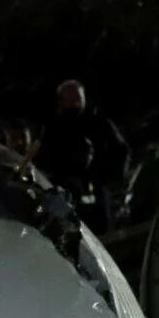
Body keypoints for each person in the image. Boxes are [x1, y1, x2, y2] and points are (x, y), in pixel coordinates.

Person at [34, 80, 130, 233]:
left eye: (79, 97)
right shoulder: (54, 128)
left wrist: (110, 177)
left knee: (101, 232)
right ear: (62, 101)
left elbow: (121, 151)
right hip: (66, 192)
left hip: (97, 192)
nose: (76, 102)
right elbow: (43, 160)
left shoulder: (99, 123)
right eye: (71, 98)